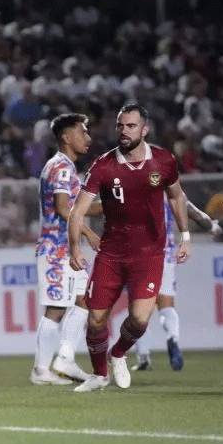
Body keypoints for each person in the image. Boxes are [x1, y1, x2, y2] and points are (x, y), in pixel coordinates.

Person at [67, 102, 192, 392]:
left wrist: (185, 236)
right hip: (110, 254)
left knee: (139, 319)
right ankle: (99, 375)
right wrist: (75, 248)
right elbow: (77, 211)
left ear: (144, 130)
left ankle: (118, 353)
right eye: (120, 125)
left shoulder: (163, 161)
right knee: (96, 319)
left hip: (149, 254)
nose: (124, 131)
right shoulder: (103, 165)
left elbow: (176, 197)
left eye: (131, 126)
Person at [30, 113, 99, 386]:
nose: (88, 138)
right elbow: (63, 208)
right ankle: (40, 370)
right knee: (57, 308)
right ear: (66, 137)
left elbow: (76, 208)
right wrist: (89, 232)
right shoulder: (60, 168)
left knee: (84, 299)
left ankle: (65, 359)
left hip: (67, 248)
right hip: (56, 249)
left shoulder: (66, 167)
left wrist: (110, 205)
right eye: (83, 132)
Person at [133, 197, 222, 371]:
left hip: (140, 257)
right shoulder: (170, 191)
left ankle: (143, 357)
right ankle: (173, 339)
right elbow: (195, 213)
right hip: (165, 257)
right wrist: (212, 226)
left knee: (141, 311)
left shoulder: (132, 185)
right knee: (166, 306)